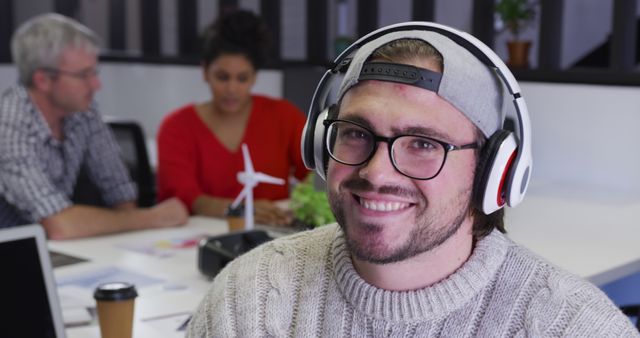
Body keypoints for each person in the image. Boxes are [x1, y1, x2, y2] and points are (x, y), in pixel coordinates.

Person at [186, 22, 638, 336]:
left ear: (493, 170)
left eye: (424, 143)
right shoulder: (247, 302)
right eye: (357, 133)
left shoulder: (573, 326)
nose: (376, 171)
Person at [0, 13, 188, 239]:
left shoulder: (82, 111)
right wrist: (154, 218)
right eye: (83, 75)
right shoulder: (8, 125)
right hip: (15, 256)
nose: (96, 85)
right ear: (43, 80)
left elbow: (120, 192)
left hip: (67, 250)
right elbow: (59, 225)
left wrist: (135, 228)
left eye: (94, 72)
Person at [157, 9, 309, 226]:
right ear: (205, 72)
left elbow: (317, 177)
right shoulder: (176, 127)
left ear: (255, 76)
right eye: (222, 77)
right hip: (199, 239)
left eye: (242, 78)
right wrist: (242, 210)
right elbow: (189, 199)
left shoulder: (284, 116)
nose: (231, 89)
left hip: (275, 236)